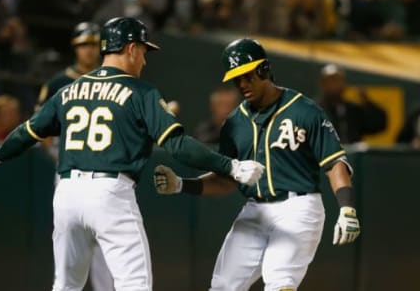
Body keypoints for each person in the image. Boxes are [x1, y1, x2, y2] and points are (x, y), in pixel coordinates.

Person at [0, 17, 263, 291]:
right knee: (134, 285)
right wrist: (232, 167)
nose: (145, 59)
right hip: (109, 193)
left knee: (65, 285)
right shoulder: (140, 91)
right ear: (130, 48)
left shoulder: (70, 89)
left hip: (66, 193)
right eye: (143, 51)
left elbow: (28, 132)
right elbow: (178, 146)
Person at [154, 38, 361, 291]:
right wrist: (181, 185)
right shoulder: (234, 123)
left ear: (264, 70)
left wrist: (347, 208)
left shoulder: (304, 110)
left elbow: (334, 162)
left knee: (279, 281)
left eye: (247, 76)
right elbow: (226, 180)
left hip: (299, 207)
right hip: (255, 210)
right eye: (236, 79)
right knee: (222, 286)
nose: (242, 84)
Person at [36, 21, 114, 291]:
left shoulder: (114, 80)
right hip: (70, 171)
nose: (89, 51)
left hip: (107, 172)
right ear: (75, 48)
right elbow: (41, 130)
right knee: (70, 246)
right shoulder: (58, 82)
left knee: (106, 246)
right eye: (83, 45)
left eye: (93, 45)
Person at [318, 63, 387, 144]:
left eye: (338, 80)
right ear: (323, 84)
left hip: (351, 155)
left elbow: (379, 124)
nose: (335, 85)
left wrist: (367, 102)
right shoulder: (315, 110)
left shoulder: (353, 110)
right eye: (331, 80)